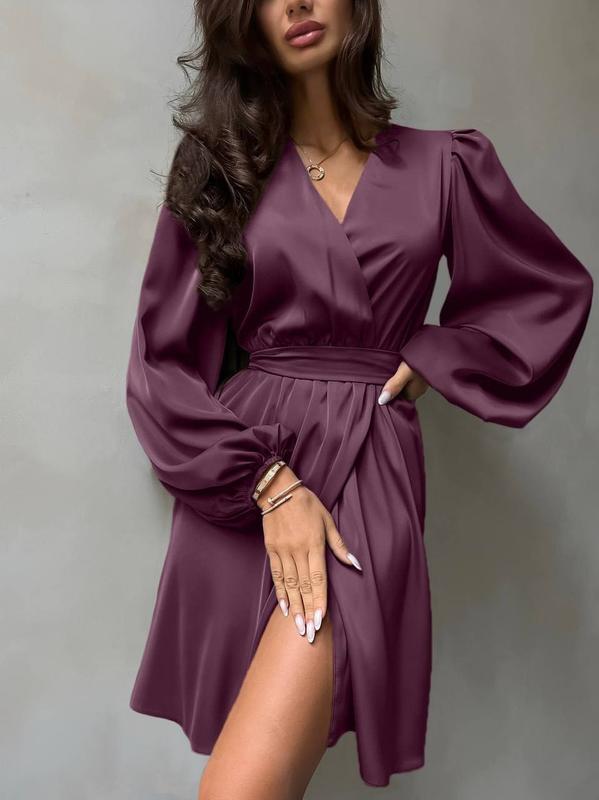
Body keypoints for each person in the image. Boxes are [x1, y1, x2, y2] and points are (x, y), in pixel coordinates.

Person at [124, 1, 594, 797]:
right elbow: (159, 367)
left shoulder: (445, 164)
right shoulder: (218, 169)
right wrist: (269, 487)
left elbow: (544, 293)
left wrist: (435, 352)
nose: (295, 5)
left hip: (369, 469)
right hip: (247, 482)